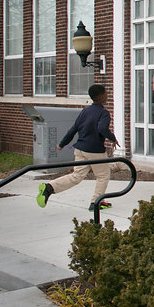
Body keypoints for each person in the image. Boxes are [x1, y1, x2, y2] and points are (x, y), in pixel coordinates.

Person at [36, 83, 121, 211]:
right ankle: (96, 203)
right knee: (103, 176)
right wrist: (113, 138)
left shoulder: (85, 111)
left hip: (80, 149)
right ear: (100, 97)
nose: (107, 95)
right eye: (105, 93)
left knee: (77, 176)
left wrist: (62, 144)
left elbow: (73, 129)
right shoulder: (103, 113)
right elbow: (102, 128)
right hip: (94, 151)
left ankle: (49, 188)